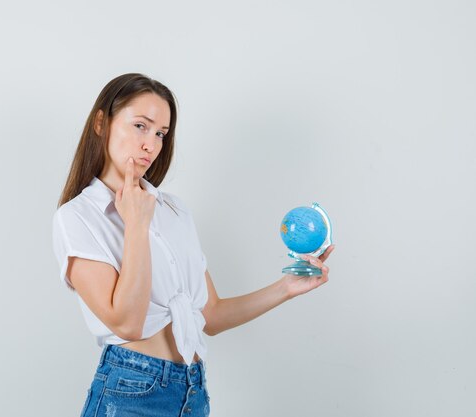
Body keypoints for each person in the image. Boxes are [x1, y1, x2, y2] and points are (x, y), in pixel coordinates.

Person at [52, 73, 335, 417]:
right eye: (140, 126)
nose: (151, 145)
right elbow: (126, 324)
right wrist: (136, 225)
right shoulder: (78, 217)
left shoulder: (173, 211)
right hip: (130, 392)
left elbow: (210, 315)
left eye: (160, 134)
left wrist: (286, 288)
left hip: (192, 391)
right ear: (101, 122)